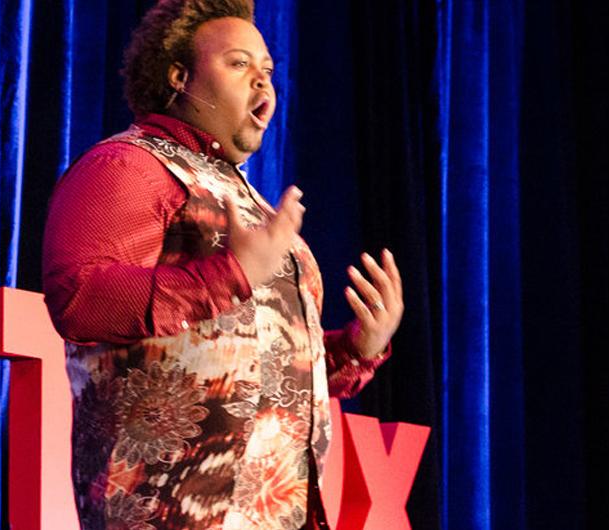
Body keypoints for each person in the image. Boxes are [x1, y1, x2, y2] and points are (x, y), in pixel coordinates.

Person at [40, 0, 404, 527]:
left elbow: (260, 364)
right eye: (238, 64)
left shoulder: (247, 200)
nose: (262, 82)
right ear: (179, 76)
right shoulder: (127, 167)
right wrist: (229, 276)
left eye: (267, 70)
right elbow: (80, 298)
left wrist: (356, 349)